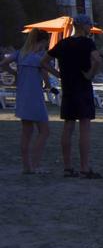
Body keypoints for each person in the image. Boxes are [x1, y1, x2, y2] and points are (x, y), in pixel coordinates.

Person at [43, 14, 103, 179]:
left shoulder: (63, 43)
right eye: (89, 25)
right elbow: (97, 60)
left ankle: (68, 167)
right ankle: (84, 167)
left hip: (68, 87)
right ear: (83, 27)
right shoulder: (88, 43)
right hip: (83, 87)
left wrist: (59, 74)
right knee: (84, 127)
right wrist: (91, 74)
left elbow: (43, 62)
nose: (90, 28)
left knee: (68, 126)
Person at [0, 29, 53, 174]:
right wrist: (50, 87)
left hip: (22, 96)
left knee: (26, 132)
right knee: (44, 131)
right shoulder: (40, 56)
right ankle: (35, 165)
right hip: (35, 96)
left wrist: (14, 74)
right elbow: (45, 75)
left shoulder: (21, 54)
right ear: (42, 42)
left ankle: (26, 166)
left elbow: (3, 63)